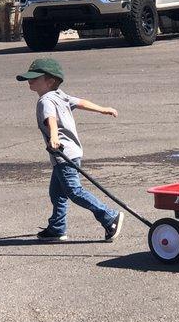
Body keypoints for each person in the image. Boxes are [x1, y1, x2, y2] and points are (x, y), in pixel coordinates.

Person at [16, 58, 124, 241]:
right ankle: (57, 227)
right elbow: (81, 102)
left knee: (74, 191)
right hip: (71, 152)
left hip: (63, 153)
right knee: (57, 192)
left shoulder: (45, 101)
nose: (30, 80)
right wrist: (103, 109)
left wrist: (54, 137)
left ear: (50, 81)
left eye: (35, 77)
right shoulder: (61, 95)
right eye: (29, 77)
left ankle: (109, 216)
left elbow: (50, 119)